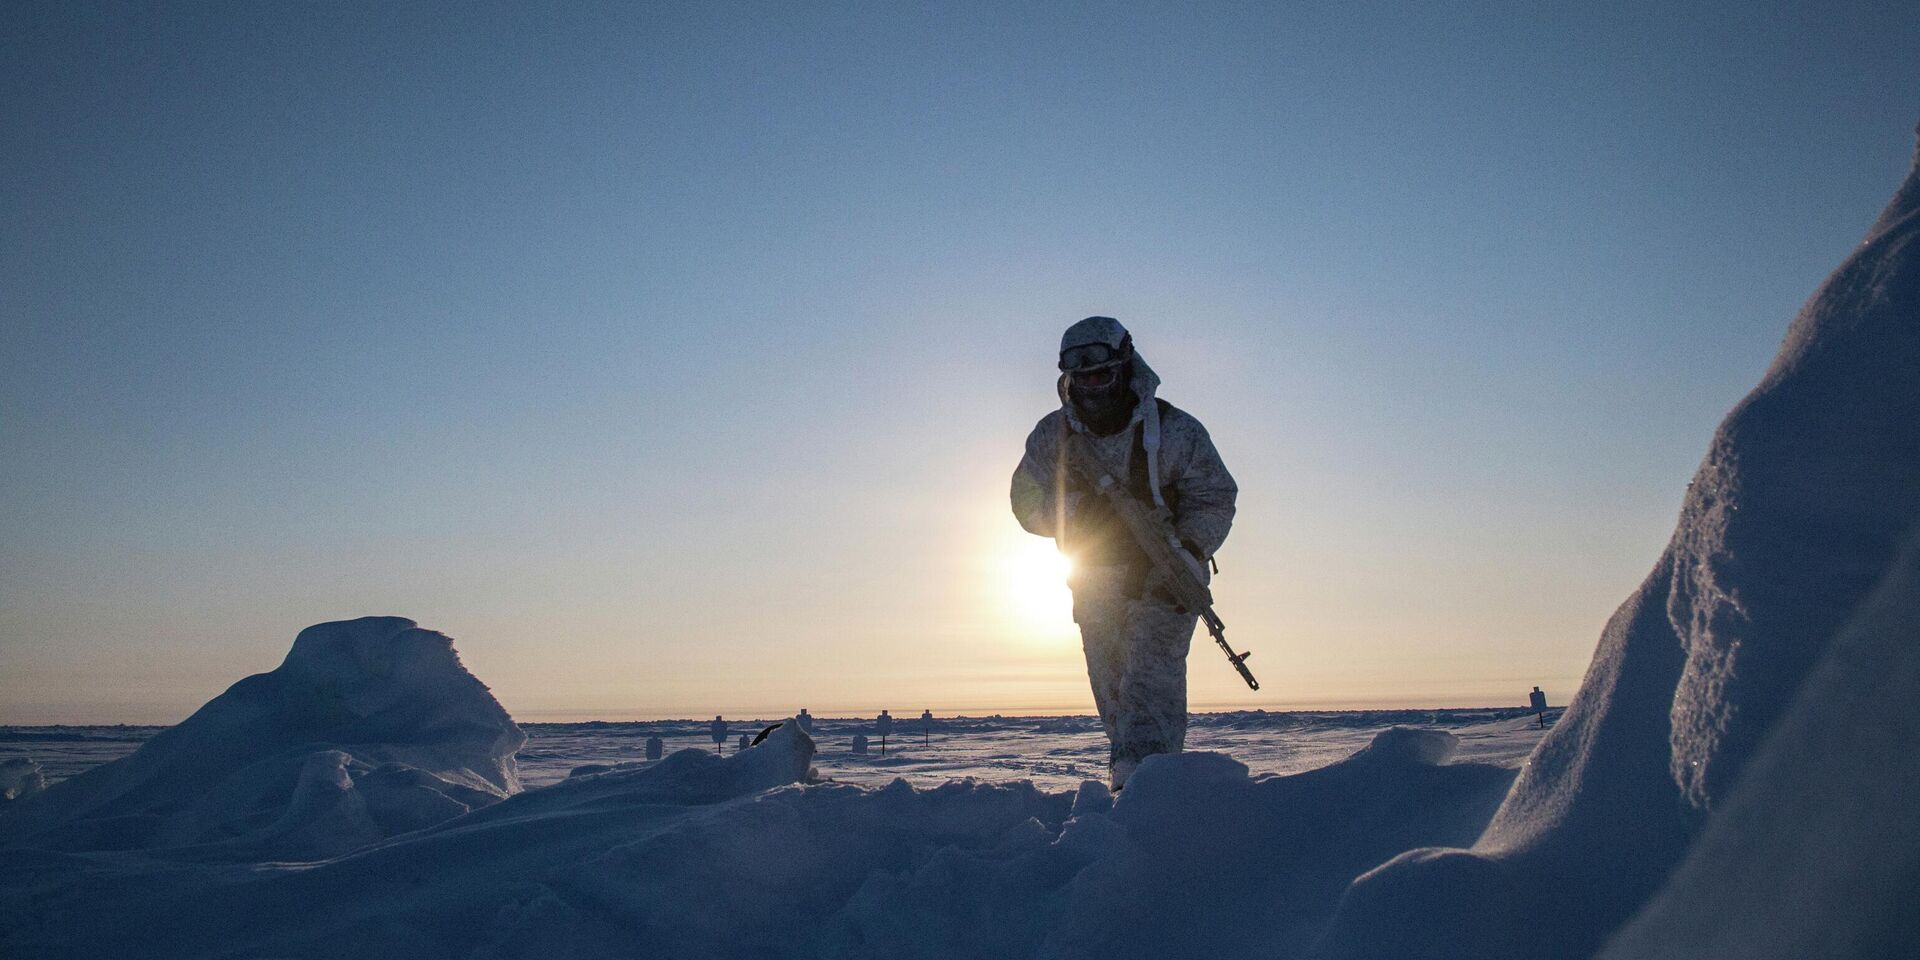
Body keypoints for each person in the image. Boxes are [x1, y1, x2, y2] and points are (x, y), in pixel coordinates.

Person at [1010, 316, 1238, 790]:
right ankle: (1130, 780)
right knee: (1113, 687)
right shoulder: (1053, 437)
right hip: (1094, 578)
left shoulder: (1175, 432)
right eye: (1081, 376)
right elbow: (1025, 501)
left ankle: (1149, 787)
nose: (1092, 386)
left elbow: (1215, 496)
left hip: (1165, 577)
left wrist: (1190, 549)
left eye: (1101, 373)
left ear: (1124, 367)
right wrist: (1076, 510)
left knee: (1150, 682)